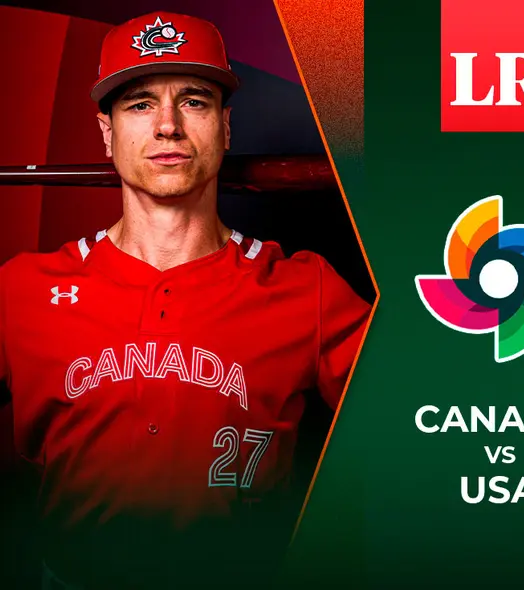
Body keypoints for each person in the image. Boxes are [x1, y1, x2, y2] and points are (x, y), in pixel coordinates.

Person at [0, 11, 371, 589]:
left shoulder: (306, 288)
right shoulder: (21, 289)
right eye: (140, 104)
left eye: (194, 101)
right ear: (106, 132)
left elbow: (426, 414)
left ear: (225, 127)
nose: (168, 126)